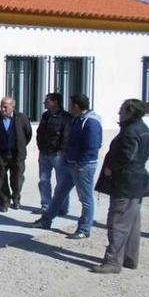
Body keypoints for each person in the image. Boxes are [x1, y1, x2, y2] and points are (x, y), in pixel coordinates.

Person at [92, 99, 149, 274]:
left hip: (125, 183)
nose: (119, 113)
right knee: (132, 223)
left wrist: (111, 169)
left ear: (130, 111)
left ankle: (113, 261)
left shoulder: (130, 132)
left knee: (117, 222)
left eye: (121, 110)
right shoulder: (144, 130)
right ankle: (129, 258)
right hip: (137, 182)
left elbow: (125, 156)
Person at [32, 94, 102, 239]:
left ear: (76, 106)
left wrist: (80, 163)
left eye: (71, 104)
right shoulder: (77, 119)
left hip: (83, 167)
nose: (68, 106)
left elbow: (93, 146)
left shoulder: (90, 122)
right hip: (70, 163)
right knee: (59, 194)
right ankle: (46, 220)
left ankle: (84, 228)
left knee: (85, 199)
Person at [0, 97, 33, 212]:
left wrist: (21, 146)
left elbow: (28, 134)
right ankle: (4, 201)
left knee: (17, 178)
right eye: (2, 106)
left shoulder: (21, 118)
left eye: (6, 107)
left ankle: (16, 198)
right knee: (1, 179)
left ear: (13, 107)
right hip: (0, 154)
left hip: (16, 154)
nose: (3, 109)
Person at [36, 93, 72, 215]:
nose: (44, 103)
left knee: (61, 182)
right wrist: (40, 146)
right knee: (43, 180)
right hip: (44, 153)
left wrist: (61, 150)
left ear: (55, 102)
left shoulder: (66, 117)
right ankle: (45, 206)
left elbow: (66, 136)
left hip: (58, 154)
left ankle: (62, 207)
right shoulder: (45, 115)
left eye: (47, 100)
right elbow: (40, 132)